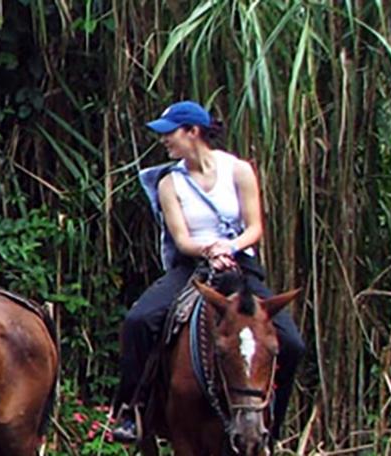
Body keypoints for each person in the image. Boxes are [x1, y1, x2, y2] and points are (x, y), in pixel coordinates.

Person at [109, 101, 306, 443]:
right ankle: (131, 408)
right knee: (139, 320)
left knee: (292, 343)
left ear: (193, 132)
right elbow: (182, 238)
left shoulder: (240, 171)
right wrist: (209, 250)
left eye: (169, 134)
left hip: (240, 264)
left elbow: (254, 226)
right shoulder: (170, 183)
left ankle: (273, 424)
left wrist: (228, 248)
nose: (165, 141)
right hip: (193, 267)